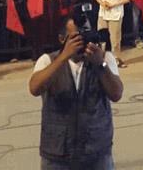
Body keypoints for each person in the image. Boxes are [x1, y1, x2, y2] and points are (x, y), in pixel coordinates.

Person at [29, 15, 123, 170]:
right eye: (76, 37)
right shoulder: (48, 60)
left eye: (85, 34)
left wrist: (100, 64)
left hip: (96, 151)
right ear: (62, 39)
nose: (82, 41)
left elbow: (116, 94)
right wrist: (62, 58)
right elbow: (34, 88)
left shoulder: (104, 58)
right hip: (57, 153)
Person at [93, 0, 128, 67]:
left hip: (115, 14)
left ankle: (116, 59)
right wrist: (102, 3)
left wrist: (113, 4)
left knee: (115, 38)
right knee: (101, 37)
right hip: (103, 14)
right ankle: (101, 58)